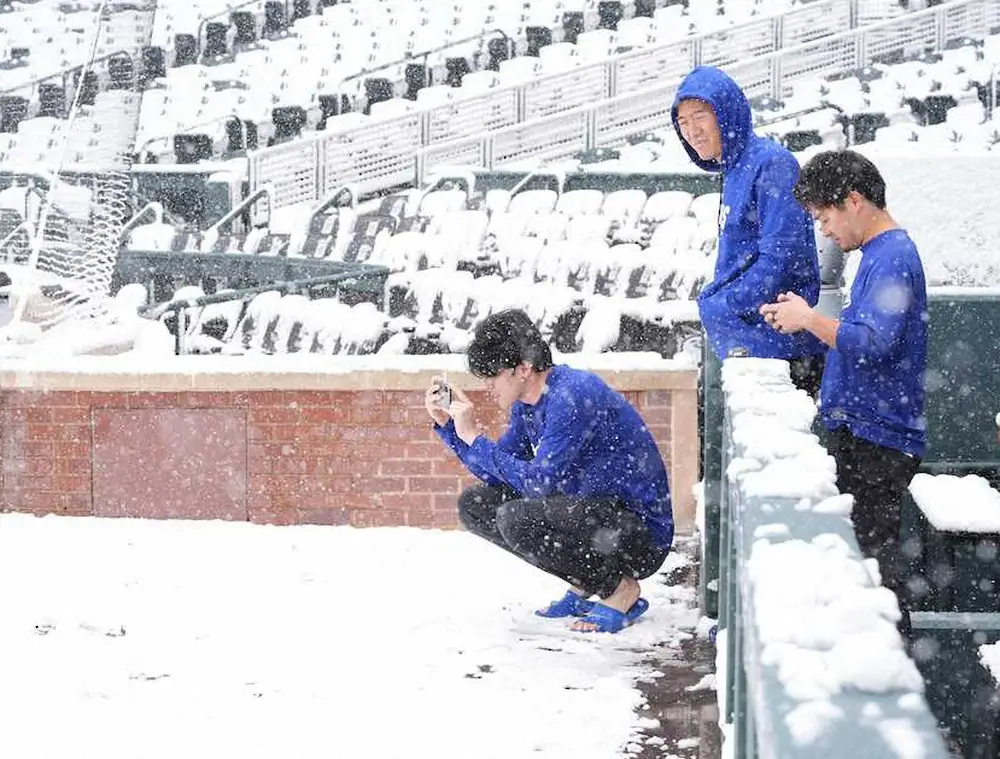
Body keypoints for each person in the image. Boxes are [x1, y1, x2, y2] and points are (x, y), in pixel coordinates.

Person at [759, 149, 927, 637]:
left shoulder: (892, 256)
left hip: (878, 439)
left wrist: (810, 320)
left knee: (873, 573)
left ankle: (889, 663)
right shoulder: (879, 254)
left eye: (825, 217)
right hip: (867, 432)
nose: (825, 230)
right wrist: (806, 319)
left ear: (853, 201)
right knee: (866, 568)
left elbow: (873, 343)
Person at [426, 309, 674, 634]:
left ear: (524, 369)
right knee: (476, 505)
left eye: (492, 375)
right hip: (593, 515)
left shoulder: (571, 395)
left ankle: (620, 590)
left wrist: (473, 436)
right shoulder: (527, 404)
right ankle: (588, 582)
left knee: (516, 518)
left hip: (640, 534)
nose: (487, 386)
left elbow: (538, 483)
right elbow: (499, 472)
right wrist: (451, 429)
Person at [672, 65, 827, 395]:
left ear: (726, 113)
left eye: (700, 116)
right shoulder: (733, 168)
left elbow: (781, 259)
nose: (692, 131)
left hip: (782, 354)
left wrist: (724, 304)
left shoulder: (772, 164)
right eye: (683, 122)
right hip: (750, 347)